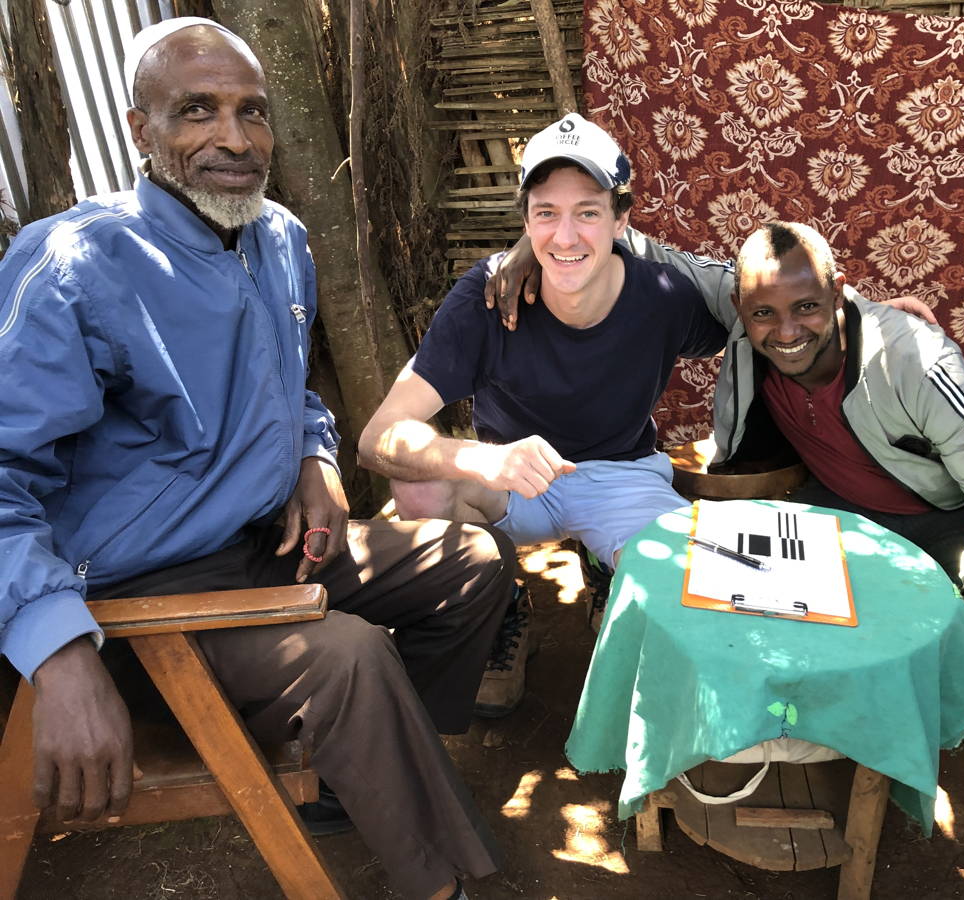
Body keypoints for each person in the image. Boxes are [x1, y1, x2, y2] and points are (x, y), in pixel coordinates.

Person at [0, 18, 513, 900]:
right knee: (349, 657)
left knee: (468, 562)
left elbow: (291, 387)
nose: (234, 139)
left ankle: (361, 787)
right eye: (197, 111)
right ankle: (440, 882)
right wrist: (58, 653)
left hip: (263, 548)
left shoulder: (278, 237)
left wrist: (314, 460)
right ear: (139, 129)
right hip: (143, 594)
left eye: (252, 112)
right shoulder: (77, 264)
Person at [359, 114, 732, 698]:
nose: (565, 236)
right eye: (546, 213)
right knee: (421, 486)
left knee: (688, 599)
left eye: (587, 211)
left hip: (622, 473)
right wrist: (482, 461)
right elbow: (378, 438)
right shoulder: (484, 298)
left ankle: (609, 567)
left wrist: (861, 316)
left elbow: (766, 323)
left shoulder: (664, 296)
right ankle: (499, 603)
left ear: (621, 219)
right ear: (526, 220)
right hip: (513, 480)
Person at [722, 223, 964, 651]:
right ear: (738, 308)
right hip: (836, 505)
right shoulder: (747, 342)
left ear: (837, 293)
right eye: (763, 314)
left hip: (942, 514)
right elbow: (652, 261)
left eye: (807, 306)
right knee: (756, 594)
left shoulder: (917, 363)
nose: (787, 331)